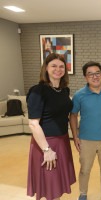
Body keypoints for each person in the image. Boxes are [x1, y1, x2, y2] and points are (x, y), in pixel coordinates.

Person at [27, 53, 76, 200]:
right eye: (53, 66)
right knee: (50, 187)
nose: (58, 69)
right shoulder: (38, 90)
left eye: (61, 66)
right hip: (46, 143)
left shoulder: (64, 90)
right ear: (46, 68)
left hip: (63, 141)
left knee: (57, 186)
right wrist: (47, 150)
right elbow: (33, 124)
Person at [70, 61, 101, 200]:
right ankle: (83, 193)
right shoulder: (79, 95)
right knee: (85, 169)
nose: (94, 76)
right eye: (90, 74)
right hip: (86, 140)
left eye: (97, 73)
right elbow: (72, 115)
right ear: (85, 77)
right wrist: (75, 136)